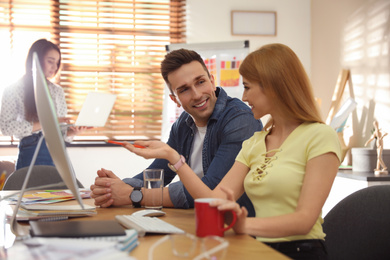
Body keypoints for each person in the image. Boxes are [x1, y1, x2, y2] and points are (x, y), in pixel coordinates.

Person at [125, 44, 342, 260]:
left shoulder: (320, 136)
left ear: (273, 86)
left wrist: (243, 224)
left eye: (247, 87)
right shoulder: (256, 143)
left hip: (299, 251)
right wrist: (173, 157)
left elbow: (304, 220)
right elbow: (212, 198)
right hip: (255, 247)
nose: (244, 97)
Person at [90, 49, 262, 215]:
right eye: (184, 89)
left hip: (236, 228)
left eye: (200, 82)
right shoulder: (182, 125)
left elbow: (210, 190)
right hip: (198, 221)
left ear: (212, 80)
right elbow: (158, 174)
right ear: (175, 99)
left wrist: (132, 195)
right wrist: (112, 188)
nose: (196, 94)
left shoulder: (241, 120)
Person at [0, 39, 87, 170]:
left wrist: (71, 132)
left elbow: (61, 133)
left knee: (63, 191)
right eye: (50, 61)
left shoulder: (57, 91)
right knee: (32, 190)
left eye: (57, 62)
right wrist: (47, 123)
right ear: (35, 60)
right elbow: (6, 128)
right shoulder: (14, 89)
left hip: (58, 152)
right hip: (31, 150)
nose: (55, 67)